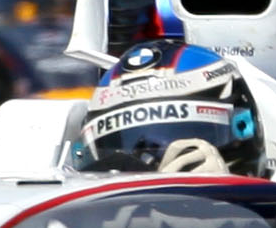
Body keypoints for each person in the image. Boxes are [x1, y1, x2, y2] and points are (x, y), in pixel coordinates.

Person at [77, 42, 266, 176]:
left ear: (245, 126)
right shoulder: (83, 221)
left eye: (195, 134)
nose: (166, 165)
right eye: (141, 156)